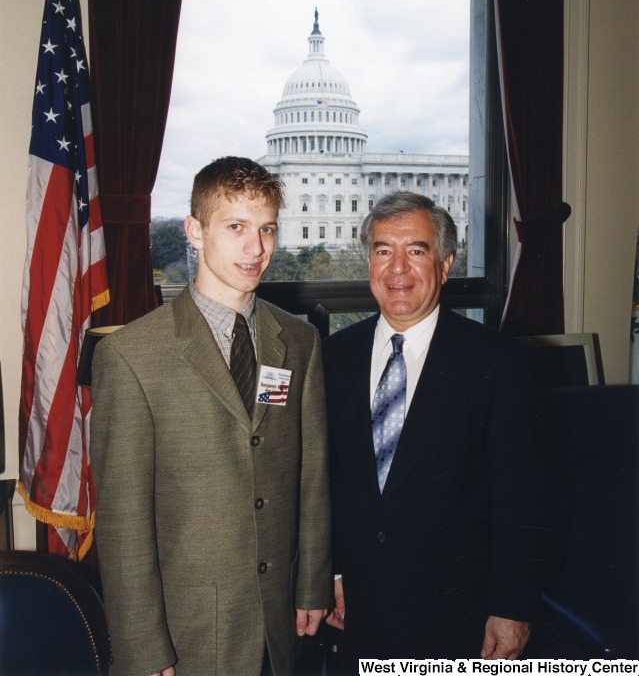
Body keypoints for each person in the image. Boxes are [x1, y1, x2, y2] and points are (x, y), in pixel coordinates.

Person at [90, 156, 332, 676]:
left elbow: (310, 477)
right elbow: (122, 521)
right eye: (236, 227)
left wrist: (312, 584)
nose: (256, 248)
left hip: (278, 621)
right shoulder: (133, 355)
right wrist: (141, 649)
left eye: (267, 229)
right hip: (185, 632)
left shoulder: (299, 340)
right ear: (195, 232)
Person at [323, 192, 542, 668]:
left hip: (459, 616)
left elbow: (522, 498)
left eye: (416, 251)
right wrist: (334, 573)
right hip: (357, 607)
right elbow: (328, 482)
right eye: (383, 251)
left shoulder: (498, 363)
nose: (397, 269)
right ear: (368, 262)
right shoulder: (333, 357)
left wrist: (512, 610)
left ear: (445, 265)